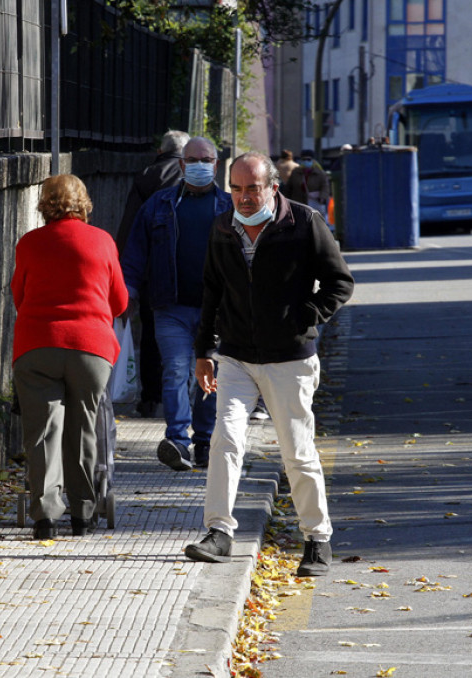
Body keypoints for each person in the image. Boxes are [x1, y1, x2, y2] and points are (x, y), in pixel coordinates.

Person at [185, 152, 354, 577]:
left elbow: (340, 282)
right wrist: (204, 351)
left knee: (297, 451)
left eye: (252, 188)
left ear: (272, 187)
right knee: (225, 440)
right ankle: (219, 533)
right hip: (237, 356)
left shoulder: (304, 223)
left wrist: (305, 317)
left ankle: (317, 540)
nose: (243, 197)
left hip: (289, 359)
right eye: (236, 188)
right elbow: (211, 290)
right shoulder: (223, 228)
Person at [11, 174, 129, 539]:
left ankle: (45, 517)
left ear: (44, 204)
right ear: (84, 203)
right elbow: (120, 301)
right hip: (91, 349)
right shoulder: (103, 241)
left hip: (37, 345)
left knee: (43, 430)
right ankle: (83, 513)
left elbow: (19, 296)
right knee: (84, 428)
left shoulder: (29, 243)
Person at [121, 136, 233, 470]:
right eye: (193, 159)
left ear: (216, 164)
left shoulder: (230, 207)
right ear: (182, 165)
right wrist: (126, 291)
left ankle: (204, 442)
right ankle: (178, 442)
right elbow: (134, 253)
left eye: (206, 159)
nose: (200, 165)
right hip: (170, 308)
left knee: (210, 377)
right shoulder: (158, 204)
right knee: (174, 372)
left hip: (217, 313)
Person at [117, 131, 191, 418]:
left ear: (162, 150)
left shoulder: (147, 175)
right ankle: (183, 398)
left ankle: (150, 398)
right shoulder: (195, 176)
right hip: (186, 270)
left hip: (150, 271)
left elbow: (129, 227)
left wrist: (127, 278)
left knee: (150, 333)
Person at [285, 149, 330, 220]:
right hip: (298, 204)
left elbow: (325, 187)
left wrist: (321, 197)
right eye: (304, 159)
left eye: (308, 159)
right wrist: (286, 202)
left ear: (313, 160)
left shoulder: (320, 173)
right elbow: (288, 188)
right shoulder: (295, 172)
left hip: (314, 204)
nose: (306, 161)